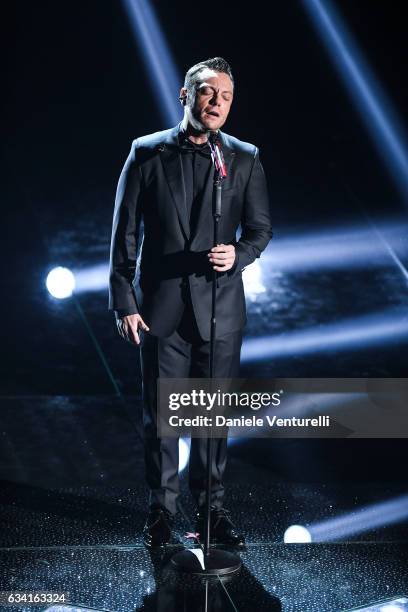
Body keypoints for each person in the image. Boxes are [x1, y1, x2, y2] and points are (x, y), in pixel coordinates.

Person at [109, 57, 272, 548]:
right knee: (162, 419)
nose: (217, 102)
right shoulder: (146, 152)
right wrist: (124, 302)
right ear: (186, 96)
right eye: (207, 92)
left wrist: (238, 253)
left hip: (221, 309)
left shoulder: (243, 157)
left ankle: (212, 512)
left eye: (225, 95)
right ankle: (161, 513)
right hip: (161, 309)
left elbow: (261, 229)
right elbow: (124, 235)